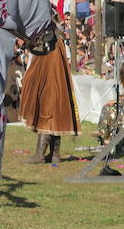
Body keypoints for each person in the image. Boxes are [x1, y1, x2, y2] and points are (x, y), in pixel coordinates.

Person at [20, 26, 81, 164]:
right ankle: (55, 154)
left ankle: (40, 155)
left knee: (47, 113)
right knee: (55, 113)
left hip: (51, 78)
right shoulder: (53, 37)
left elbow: (40, 61)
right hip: (54, 77)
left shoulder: (48, 38)